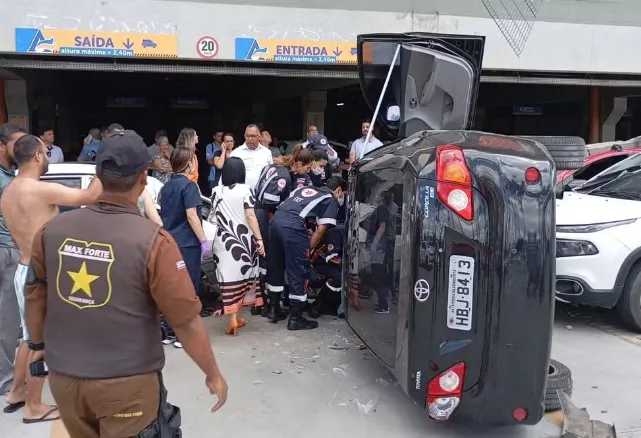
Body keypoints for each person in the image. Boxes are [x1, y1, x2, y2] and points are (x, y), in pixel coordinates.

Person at [23, 130, 227, 437]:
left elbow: (35, 294)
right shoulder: (153, 241)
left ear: (98, 175)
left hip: (65, 380)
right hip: (127, 386)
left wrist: (37, 345)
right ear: (143, 179)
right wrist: (212, 373)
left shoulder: (52, 231)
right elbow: (185, 321)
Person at [0, 134, 103, 424]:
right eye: (45, 152)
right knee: (40, 344)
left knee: (27, 338)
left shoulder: (8, 191)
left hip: (23, 270)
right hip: (39, 276)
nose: (47, 157)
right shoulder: (38, 190)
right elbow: (89, 196)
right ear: (35, 156)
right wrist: (102, 167)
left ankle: (17, 393)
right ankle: (34, 405)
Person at [265, 176, 346, 330]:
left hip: (276, 222)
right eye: (342, 194)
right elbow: (322, 230)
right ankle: (295, 318)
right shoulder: (330, 199)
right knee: (299, 271)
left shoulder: (304, 188)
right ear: (338, 190)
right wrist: (306, 251)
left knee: (276, 265)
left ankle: (274, 309)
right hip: (293, 226)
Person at [252, 146, 315, 318]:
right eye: (307, 168)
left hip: (261, 214)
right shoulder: (284, 175)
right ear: (299, 163)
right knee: (270, 260)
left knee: (269, 261)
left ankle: (267, 304)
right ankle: (267, 303)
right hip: (267, 216)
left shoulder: (274, 166)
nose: (307, 172)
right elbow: (270, 202)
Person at [159, 146, 210, 347]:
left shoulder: (166, 186)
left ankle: (170, 331)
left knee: (171, 288)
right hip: (187, 244)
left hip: (169, 242)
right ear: (188, 164)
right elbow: (192, 216)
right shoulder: (189, 187)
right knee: (188, 288)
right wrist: (203, 240)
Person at [209, 157, 265, 335]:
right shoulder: (245, 190)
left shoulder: (216, 191)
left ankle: (235, 318)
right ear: (241, 172)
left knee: (228, 280)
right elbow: (250, 216)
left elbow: (212, 217)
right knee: (243, 278)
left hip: (223, 241)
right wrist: (260, 239)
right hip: (243, 241)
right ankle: (236, 318)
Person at [0, 123, 24, 399]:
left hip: (10, 249)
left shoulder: (11, 175)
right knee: (7, 321)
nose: (20, 149)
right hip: (5, 251)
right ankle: (6, 381)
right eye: (16, 144)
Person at [308, 224, 344, 318]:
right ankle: (318, 305)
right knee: (339, 276)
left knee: (343, 274)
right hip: (318, 264)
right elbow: (332, 258)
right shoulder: (337, 232)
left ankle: (332, 306)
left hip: (331, 265)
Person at [230, 124, 273, 189]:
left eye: (253, 136)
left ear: (259, 136)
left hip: (261, 194)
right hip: (242, 195)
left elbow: (271, 173)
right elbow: (227, 175)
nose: (250, 139)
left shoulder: (267, 153)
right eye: (247, 136)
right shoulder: (236, 153)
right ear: (244, 136)